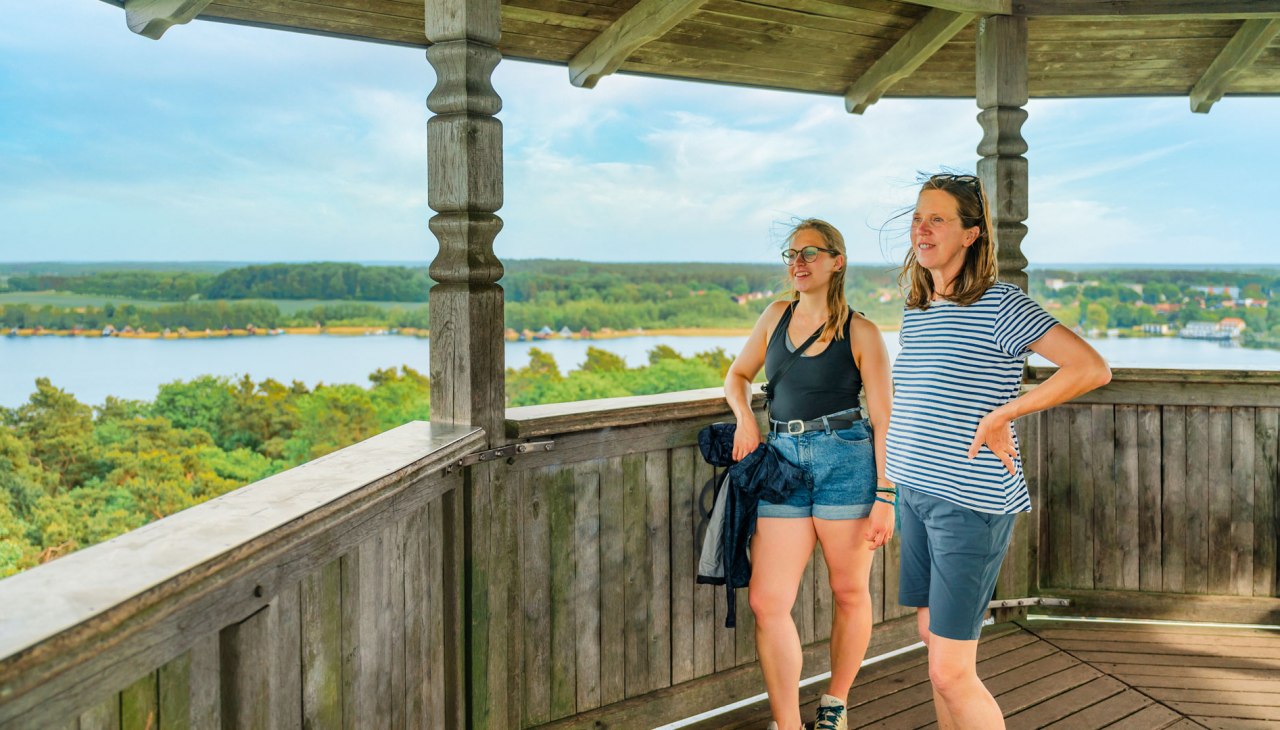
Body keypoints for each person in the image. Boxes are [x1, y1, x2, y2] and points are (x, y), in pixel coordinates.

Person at [885, 173, 1111, 729]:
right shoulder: (918, 306)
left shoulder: (1001, 304)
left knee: (949, 671)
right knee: (932, 644)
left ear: (971, 234)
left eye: (937, 218)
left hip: (970, 502)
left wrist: (1006, 412)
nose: (922, 227)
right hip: (915, 491)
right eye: (918, 217)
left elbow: (1091, 368)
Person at [724, 219, 894, 730]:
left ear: (837, 262)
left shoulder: (861, 331)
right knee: (766, 600)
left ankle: (834, 703)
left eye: (811, 253)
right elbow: (737, 376)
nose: (797, 263)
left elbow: (886, 418)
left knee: (849, 592)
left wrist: (886, 495)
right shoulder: (775, 315)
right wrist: (746, 419)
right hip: (782, 462)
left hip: (847, 459)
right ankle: (788, 724)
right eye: (790, 254)